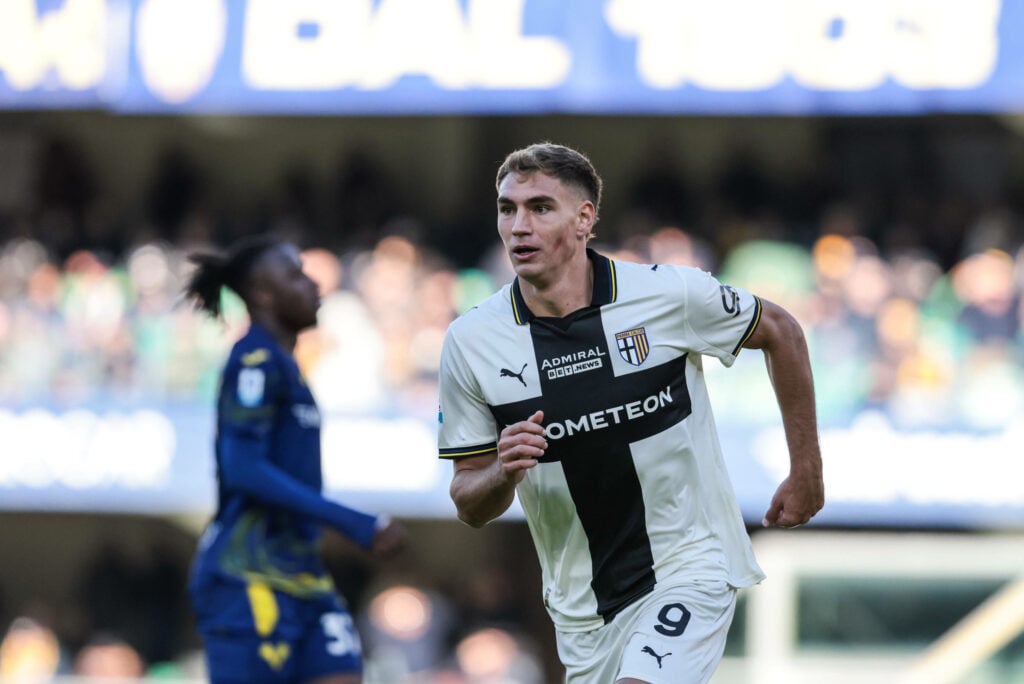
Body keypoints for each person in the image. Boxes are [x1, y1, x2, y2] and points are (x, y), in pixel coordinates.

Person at [437, 143, 824, 684]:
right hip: (583, 608)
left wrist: (806, 469)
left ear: (584, 218)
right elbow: (468, 501)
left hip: (691, 564)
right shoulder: (471, 341)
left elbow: (781, 331)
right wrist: (503, 471)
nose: (519, 226)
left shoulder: (669, 295)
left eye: (541, 208)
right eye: (508, 209)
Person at [183, 235, 405, 684]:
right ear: (263, 295)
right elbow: (243, 467)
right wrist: (351, 521)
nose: (313, 285)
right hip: (246, 576)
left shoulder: (287, 366)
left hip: (301, 572)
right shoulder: (253, 361)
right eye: (296, 275)